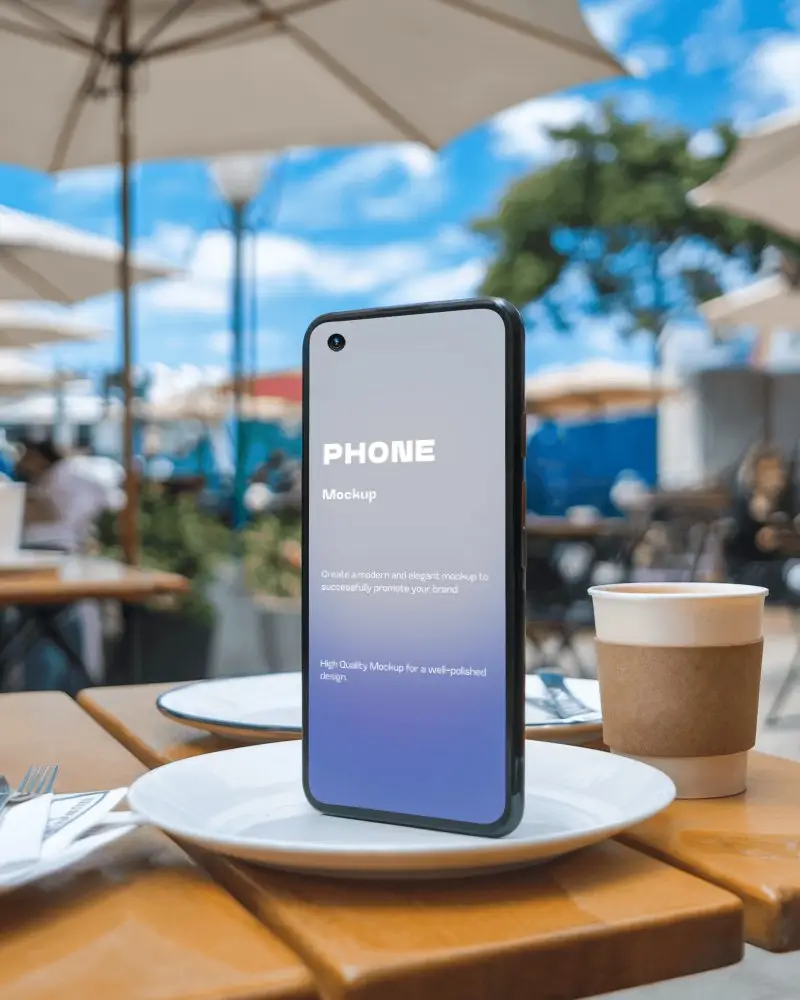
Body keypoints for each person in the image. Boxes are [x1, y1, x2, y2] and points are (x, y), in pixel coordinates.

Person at [16, 438, 106, 552]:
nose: (23, 463)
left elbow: (45, 513)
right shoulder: (66, 471)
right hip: (66, 541)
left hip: (49, 543)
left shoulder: (57, 475)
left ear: (40, 457)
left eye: (28, 458)